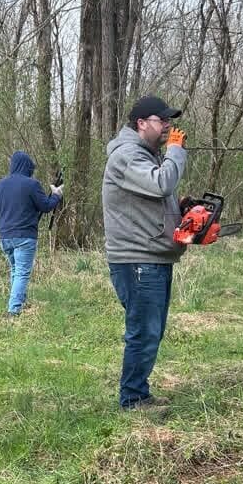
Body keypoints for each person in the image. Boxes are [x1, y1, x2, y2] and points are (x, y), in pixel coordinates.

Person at [101, 95, 188, 411]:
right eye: (161, 120)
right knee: (143, 331)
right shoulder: (127, 156)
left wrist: (181, 213)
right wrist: (176, 152)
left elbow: (150, 200)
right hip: (137, 260)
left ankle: (138, 392)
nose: (168, 127)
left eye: (169, 121)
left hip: (152, 256)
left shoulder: (146, 156)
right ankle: (133, 399)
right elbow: (162, 183)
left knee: (152, 330)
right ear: (141, 124)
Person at [0, 151, 63, 317]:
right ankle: (13, 311)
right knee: (22, 273)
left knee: (16, 270)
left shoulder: (0, 186)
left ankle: (19, 303)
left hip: (4, 236)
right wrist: (56, 195)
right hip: (24, 236)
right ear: (27, 167)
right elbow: (45, 206)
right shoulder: (31, 184)